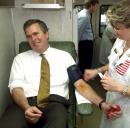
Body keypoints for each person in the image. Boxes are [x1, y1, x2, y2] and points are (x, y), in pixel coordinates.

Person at [7, 19, 116, 128]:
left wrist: (102, 104)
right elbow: (16, 88)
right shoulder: (20, 59)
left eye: (36, 33)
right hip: (24, 102)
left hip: (54, 103)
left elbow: (80, 84)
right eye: (29, 36)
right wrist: (26, 107)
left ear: (46, 34)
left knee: (58, 124)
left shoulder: (65, 57)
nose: (33, 39)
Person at [84, 1, 130, 127]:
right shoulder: (120, 41)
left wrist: (119, 88)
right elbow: (114, 64)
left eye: (118, 28)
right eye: (113, 26)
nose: (114, 31)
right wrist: (97, 70)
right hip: (112, 102)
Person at [78, 0, 99, 73]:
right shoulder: (83, 16)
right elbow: (78, 32)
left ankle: (86, 77)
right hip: (85, 44)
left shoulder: (87, 14)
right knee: (85, 63)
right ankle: (83, 80)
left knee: (87, 62)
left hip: (87, 43)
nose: (96, 8)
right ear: (91, 5)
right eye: (96, 6)